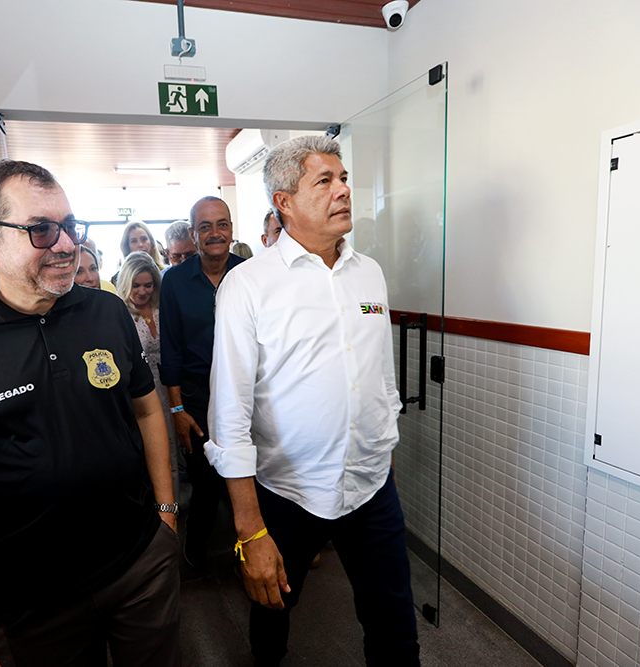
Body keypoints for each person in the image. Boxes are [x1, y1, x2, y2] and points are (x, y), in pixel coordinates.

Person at [0, 159, 180, 667]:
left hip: (141, 561)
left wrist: (166, 513)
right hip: (35, 595)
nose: (66, 244)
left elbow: (147, 411)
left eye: (69, 225)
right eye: (40, 229)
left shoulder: (106, 311)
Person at [206, 136, 421, 666]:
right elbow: (229, 415)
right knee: (272, 615)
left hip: (371, 486)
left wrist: (385, 451)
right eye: (324, 181)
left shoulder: (369, 273)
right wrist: (250, 530)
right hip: (289, 492)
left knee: (394, 626)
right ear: (284, 201)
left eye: (343, 178)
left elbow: (381, 378)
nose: (343, 190)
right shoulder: (248, 285)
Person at [159, 196, 244, 569]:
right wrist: (177, 409)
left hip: (244, 394)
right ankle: (195, 550)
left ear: (231, 229)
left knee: (245, 475)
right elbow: (171, 351)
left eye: (221, 224)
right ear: (193, 234)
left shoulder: (249, 274)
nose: (215, 233)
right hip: (196, 396)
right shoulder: (175, 281)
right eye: (205, 226)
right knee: (205, 481)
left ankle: (249, 551)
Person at [117, 250, 180, 500]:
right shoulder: (120, 314)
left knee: (172, 450)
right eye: (136, 285)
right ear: (126, 283)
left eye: (148, 285)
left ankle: (173, 506)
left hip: (169, 388)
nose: (142, 291)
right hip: (139, 394)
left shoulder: (163, 308)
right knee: (149, 451)